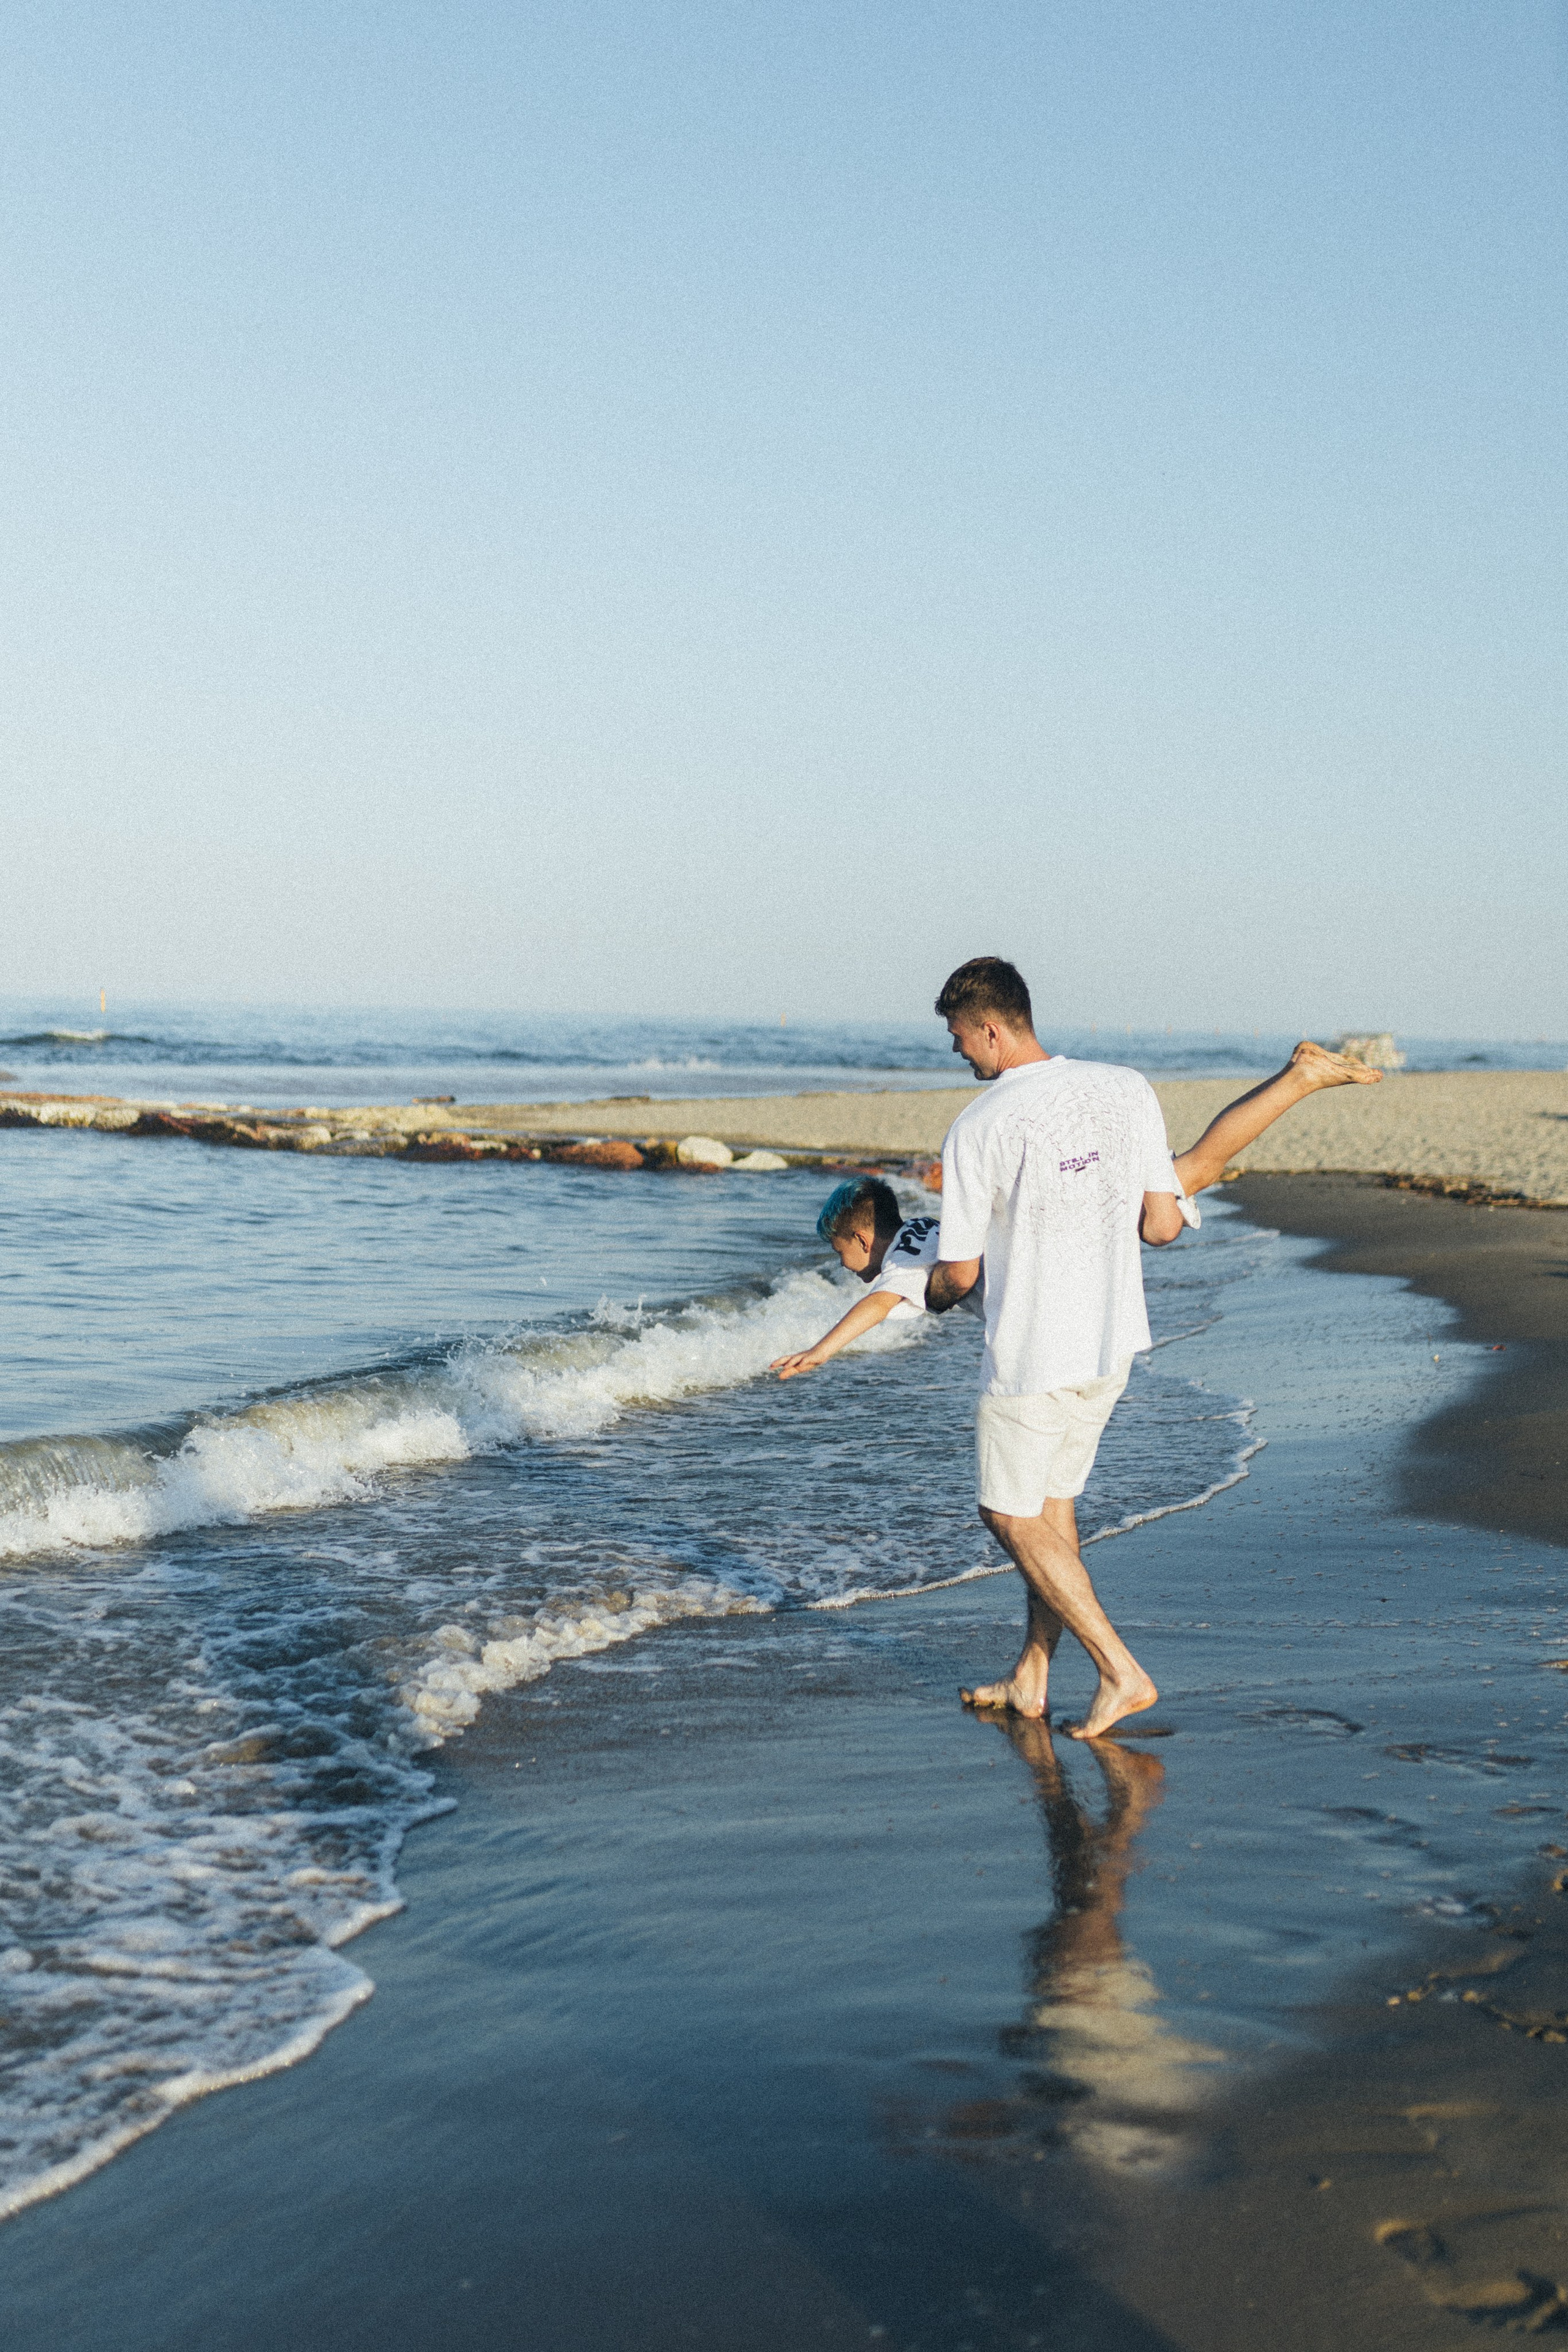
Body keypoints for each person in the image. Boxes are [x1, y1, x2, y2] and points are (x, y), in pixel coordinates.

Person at [921, 956, 1378, 1738]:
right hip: (1110, 1343)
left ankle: (1120, 1671)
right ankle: (1032, 1673)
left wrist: (921, 1291)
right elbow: (1163, 1224)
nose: (958, 1053)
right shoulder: (1124, 1086)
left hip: (1033, 1354)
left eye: (960, 1038)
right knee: (1051, 1513)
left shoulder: (979, 1127)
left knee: (1007, 1514)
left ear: (991, 1029)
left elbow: (958, 1274)